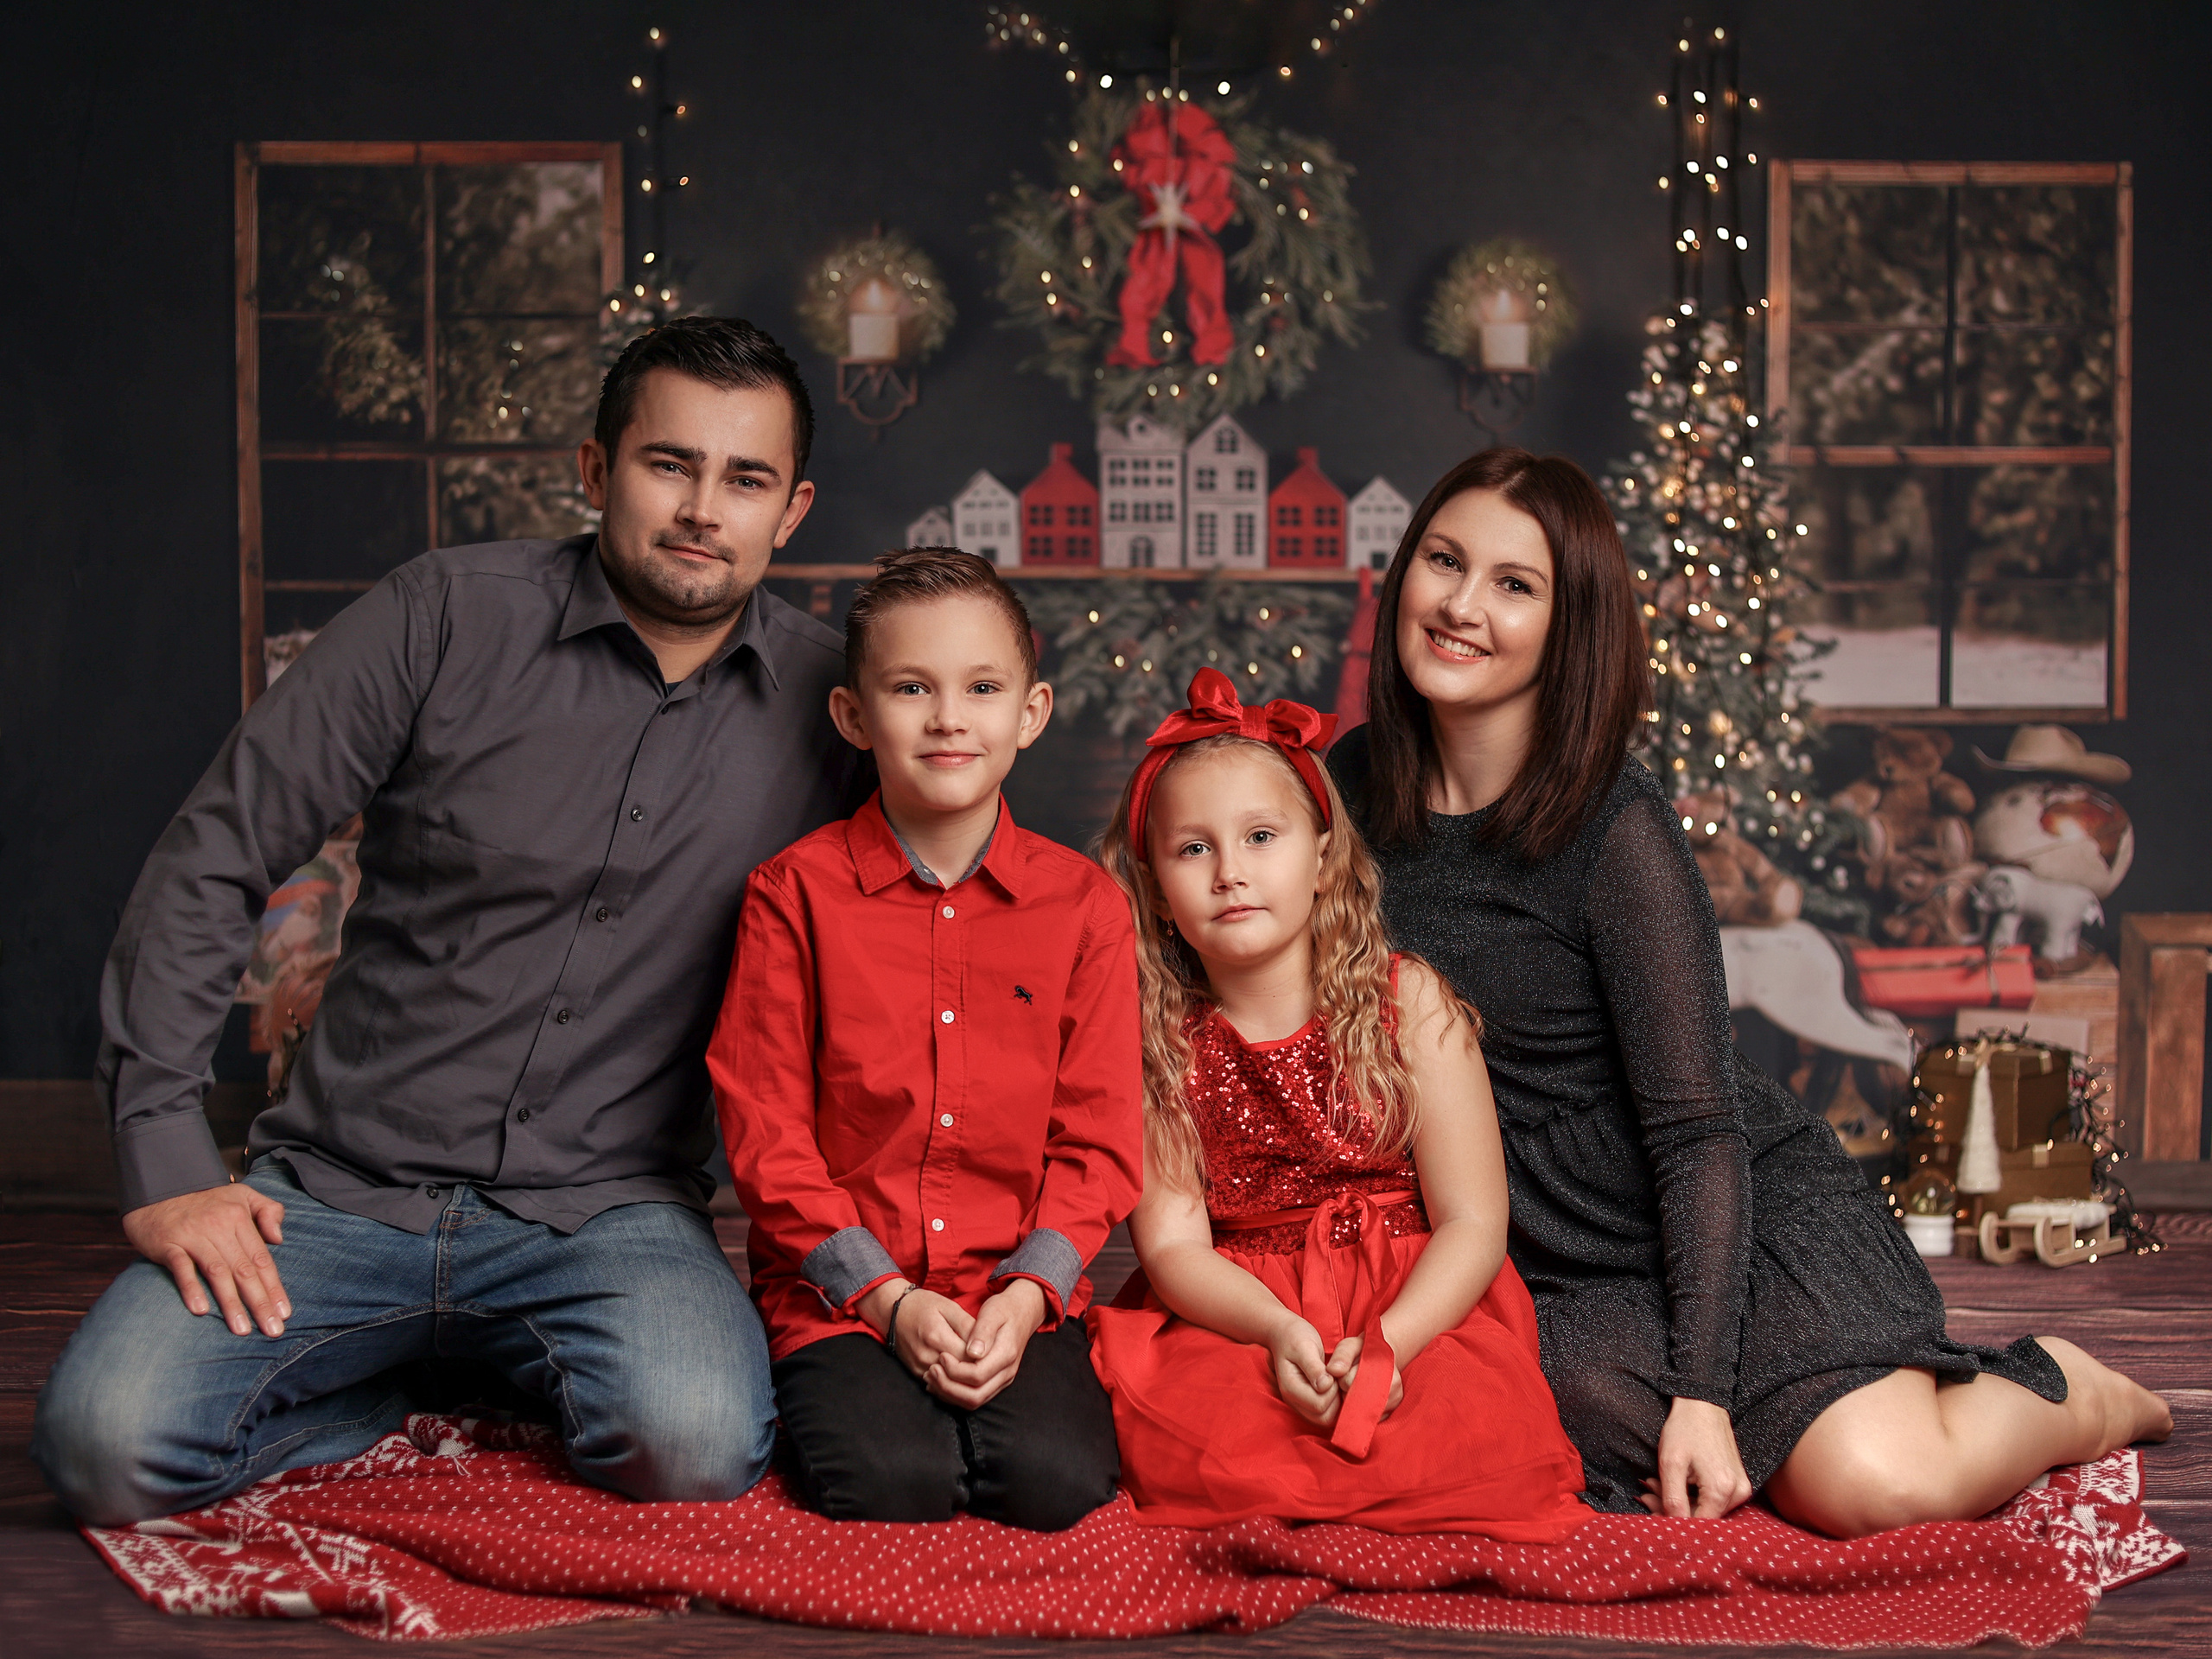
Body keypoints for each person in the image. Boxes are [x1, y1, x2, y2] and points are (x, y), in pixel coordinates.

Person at [35, 318, 867, 1525]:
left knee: (692, 1446)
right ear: (595, 471)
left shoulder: (836, 706)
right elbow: (216, 853)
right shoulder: (441, 617)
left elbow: (947, 918)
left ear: (788, 513)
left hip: (609, 1211)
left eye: (743, 480)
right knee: (104, 1448)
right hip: (338, 1191)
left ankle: (446, 1367)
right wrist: (166, 1155)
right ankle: (411, 1385)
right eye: (668, 464)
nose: (702, 509)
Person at [1326, 447, 2172, 1538]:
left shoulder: (1614, 834)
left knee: (1872, 1487)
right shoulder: (1343, 789)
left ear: (1569, 627)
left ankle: (2066, 1388)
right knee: (1534, 1419)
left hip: (1716, 1220)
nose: (1460, 605)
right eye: (1444, 561)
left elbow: (1695, 1134)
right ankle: (1761, 1413)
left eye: (1514, 584)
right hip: (1523, 1251)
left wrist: (1704, 1393)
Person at [1084, 668, 1589, 1538]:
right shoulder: (1155, 1038)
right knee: (1201, 1443)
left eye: (1260, 837)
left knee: (1472, 1438)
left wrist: (1390, 1340)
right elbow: (1170, 1248)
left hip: (1413, 1302)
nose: (1230, 873)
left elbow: (1473, 1221)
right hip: (1239, 1309)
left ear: (1322, 860)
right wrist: (1277, 1330)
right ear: (1154, 886)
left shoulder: (1407, 1002)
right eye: (1193, 849)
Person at [708, 550, 1141, 1531]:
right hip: (845, 1292)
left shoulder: (1086, 909)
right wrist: (890, 1303)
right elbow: (766, 1132)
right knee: (888, 1485)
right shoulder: (792, 895)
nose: (949, 718)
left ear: (1029, 713)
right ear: (854, 718)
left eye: (981, 688)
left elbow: (1101, 1138)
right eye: (912, 688)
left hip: (1011, 1286)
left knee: (1056, 1486)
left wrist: (1029, 1297)